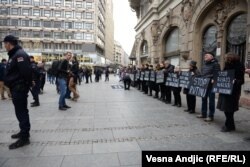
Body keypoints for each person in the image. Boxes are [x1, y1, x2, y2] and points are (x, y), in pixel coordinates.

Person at [3, 35, 32, 149]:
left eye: (5, 43)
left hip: (19, 88)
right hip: (16, 88)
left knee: (21, 112)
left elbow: (26, 72)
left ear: (9, 43)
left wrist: (27, 85)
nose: (4, 46)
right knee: (20, 111)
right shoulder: (14, 54)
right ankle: (23, 131)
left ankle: (25, 137)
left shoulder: (19, 54)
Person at [217, 52, 245, 132]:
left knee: (229, 109)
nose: (225, 59)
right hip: (225, 90)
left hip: (233, 91)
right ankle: (230, 125)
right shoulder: (227, 65)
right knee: (226, 109)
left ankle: (228, 125)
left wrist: (235, 81)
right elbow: (222, 75)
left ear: (231, 58)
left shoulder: (239, 66)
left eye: (226, 58)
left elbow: (241, 80)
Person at [197, 52, 221, 122]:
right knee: (203, 99)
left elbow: (218, 74)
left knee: (211, 101)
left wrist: (213, 79)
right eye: (205, 56)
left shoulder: (216, 64)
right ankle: (203, 113)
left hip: (211, 85)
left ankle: (211, 116)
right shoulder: (204, 64)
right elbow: (202, 73)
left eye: (207, 55)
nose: (205, 56)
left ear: (212, 57)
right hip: (204, 84)